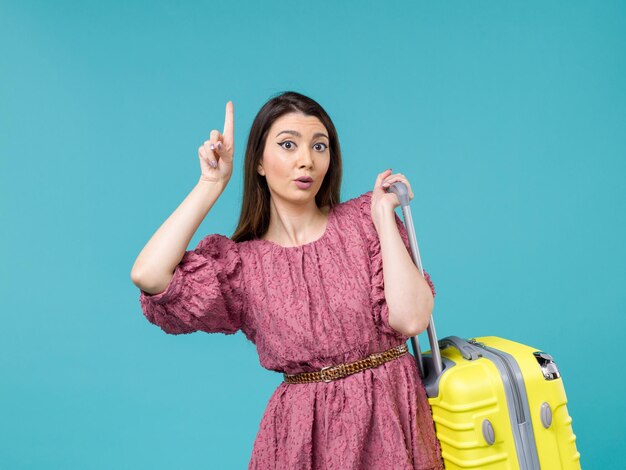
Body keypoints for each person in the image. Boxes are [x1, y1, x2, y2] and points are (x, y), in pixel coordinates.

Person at [130, 91, 444, 469]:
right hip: (301, 439)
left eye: (319, 145)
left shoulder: (366, 221)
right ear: (259, 162)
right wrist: (212, 183)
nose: (306, 160)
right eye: (288, 145)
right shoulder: (242, 266)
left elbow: (411, 319)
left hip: (392, 420)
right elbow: (148, 275)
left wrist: (382, 217)